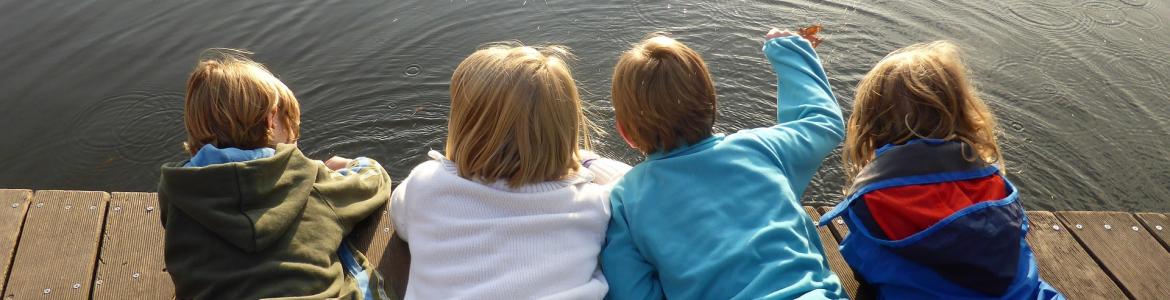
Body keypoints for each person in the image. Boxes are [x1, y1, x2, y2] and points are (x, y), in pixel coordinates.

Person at [601, 30, 846, 299]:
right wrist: (789, 49)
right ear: (712, 104)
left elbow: (631, 293)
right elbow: (822, 122)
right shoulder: (762, 148)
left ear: (625, 133)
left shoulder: (626, 199)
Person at [818, 41, 1064, 299]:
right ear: (961, 111)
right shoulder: (992, 183)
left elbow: (862, 263)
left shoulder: (872, 200)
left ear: (870, 123)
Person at [389, 43, 631, 299]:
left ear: (463, 129)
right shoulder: (593, 205)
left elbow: (400, 219)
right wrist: (585, 160)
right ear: (565, 134)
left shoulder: (426, 184)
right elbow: (634, 183)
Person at [157, 50, 391, 299]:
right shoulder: (310, 179)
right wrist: (354, 164)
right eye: (290, 129)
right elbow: (374, 182)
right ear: (270, 120)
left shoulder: (178, 191)